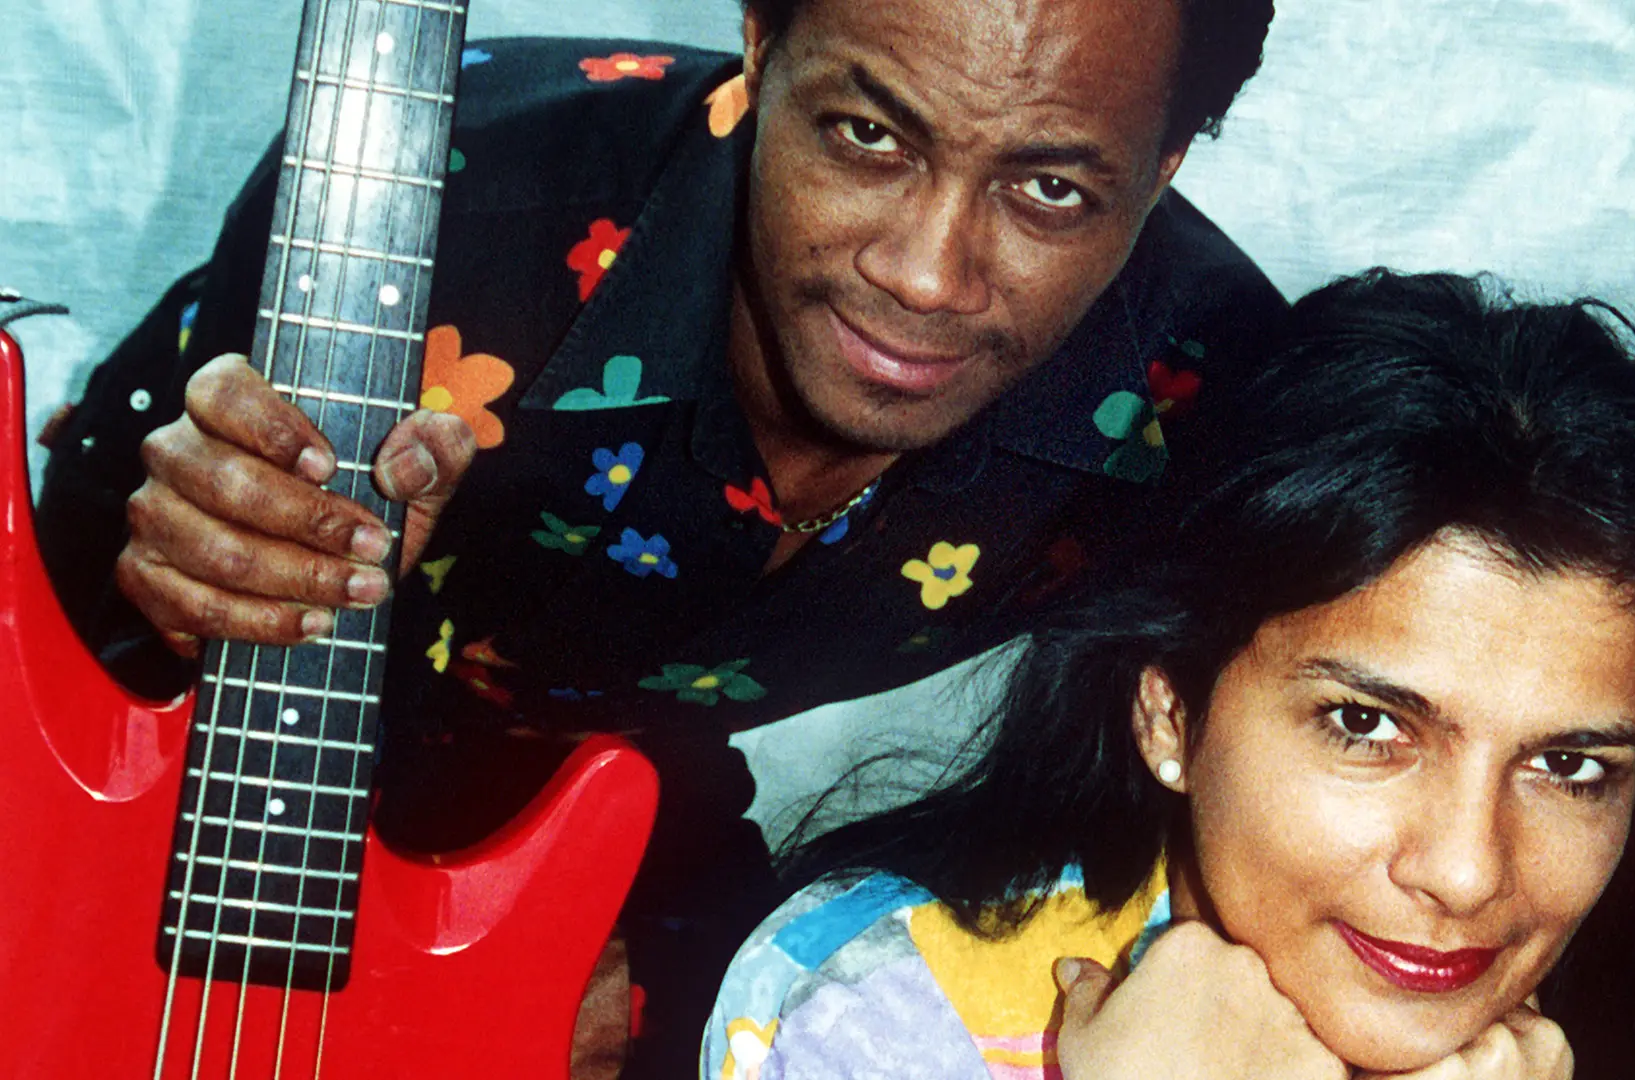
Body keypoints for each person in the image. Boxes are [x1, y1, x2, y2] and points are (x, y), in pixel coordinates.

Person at [31, 0, 1283, 1071]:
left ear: (1163, 164)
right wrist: (204, 576)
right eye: (867, 134)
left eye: (1050, 189)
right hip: (221, 784)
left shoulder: (1213, 398)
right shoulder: (419, 206)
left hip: (630, 801)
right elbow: (65, 652)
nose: (926, 274)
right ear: (760, 42)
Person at [703, 270, 1635, 1080]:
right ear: (1169, 709)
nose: (1466, 872)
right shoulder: (887, 1014)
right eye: (1367, 726)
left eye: (1569, 766)